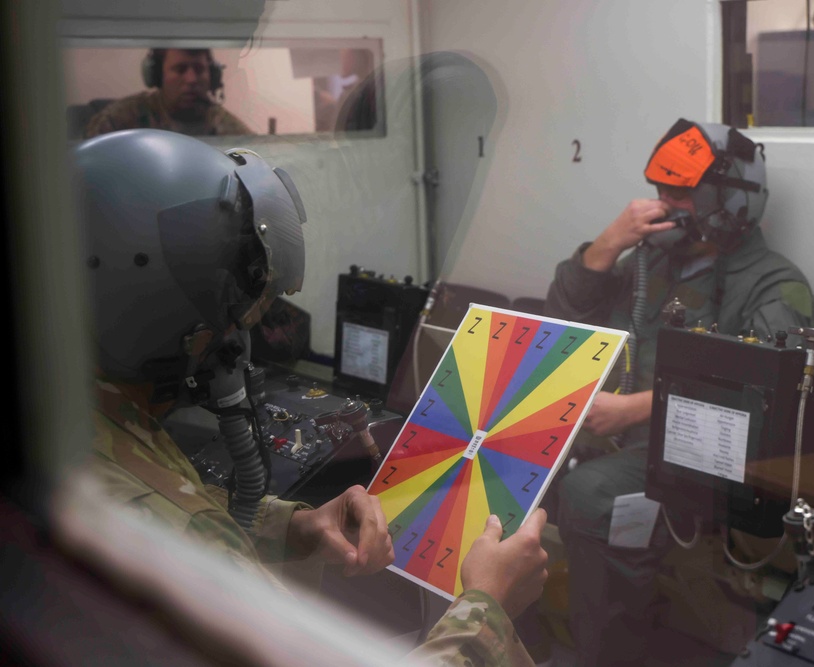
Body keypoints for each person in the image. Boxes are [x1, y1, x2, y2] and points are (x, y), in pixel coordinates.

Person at [77, 128, 547, 665]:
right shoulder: (183, 535)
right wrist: (487, 606)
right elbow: (186, 527)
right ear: (164, 316)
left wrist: (295, 527)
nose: (239, 338)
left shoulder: (81, 420)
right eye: (234, 317)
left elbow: (179, 498)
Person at [543, 118, 814, 665]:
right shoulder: (649, 263)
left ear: (730, 199)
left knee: (591, 495)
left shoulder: (774, 283)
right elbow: (564, 324)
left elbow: (765, 394)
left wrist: (633, 410)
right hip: (626, 440)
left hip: (705, 455)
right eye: (660, 191)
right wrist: (607, 245)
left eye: (680, 193)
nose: (664, 204)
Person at [84, 49, 252, 138]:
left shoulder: (228, 129)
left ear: (213, 76)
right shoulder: (121, 120)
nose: (192, 79)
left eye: (199, 69)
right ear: (157, 75)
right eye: (180, 69)